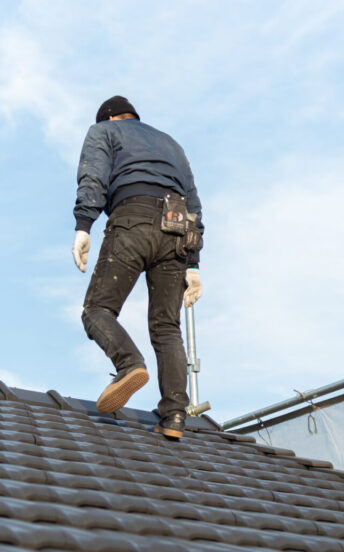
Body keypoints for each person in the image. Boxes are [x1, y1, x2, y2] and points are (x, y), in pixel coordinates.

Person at [71, 95, 204, 439]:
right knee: (167, 327)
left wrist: (83, 225)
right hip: (177, 230)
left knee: (97, 309)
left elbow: (94, 175)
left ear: (111, 119)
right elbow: (194, 201)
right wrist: (193, 263)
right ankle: (175, 415)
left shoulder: (104, 131)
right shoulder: (172, 144)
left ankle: (129, 364)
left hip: (134, 218)